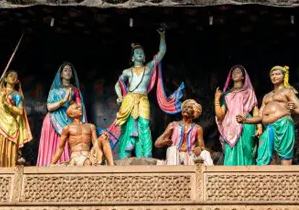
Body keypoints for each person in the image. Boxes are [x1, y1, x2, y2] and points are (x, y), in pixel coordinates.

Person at [110, 26, 183, 159]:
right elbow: (117, 85)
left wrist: (162, 36)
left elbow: (161, 53)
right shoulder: (128, 71)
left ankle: (146, 154)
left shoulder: (148, 68)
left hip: (143, 99)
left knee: (144, 123)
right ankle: (125, 154)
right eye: (137, 52)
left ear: (144, 57)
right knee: (127, 126)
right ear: (132, 58)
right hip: (129, 100)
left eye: (142, 52)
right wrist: (120, 97)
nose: (140, 54)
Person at [238, 65, 299, 166]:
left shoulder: (287, 91)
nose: (274, 76)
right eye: (272, 75)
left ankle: (285, 177)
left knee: (285, 153)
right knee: (262, 154)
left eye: (277, 74)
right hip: (268, 127)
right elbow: (260, 117)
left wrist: (293, 110)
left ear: (283, 76)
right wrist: (246, 120)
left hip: (284, 124)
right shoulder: (267, 96)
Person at [0, 71, 32, 168]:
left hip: (10, 126)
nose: (13, 77)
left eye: (15, 77)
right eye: (11, 76)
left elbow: (20, 112)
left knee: (7, 153)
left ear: (17, 81)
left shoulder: (17, 95)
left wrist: (7, 105)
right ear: (5, 78)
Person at [37, 62, 86, 166]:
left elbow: (79, 107)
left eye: (70, 70)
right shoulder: (54, 91)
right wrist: (63, 101)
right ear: (61, 74)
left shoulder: (75, 91)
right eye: (65, 70)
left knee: (69, 142)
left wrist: (71, 102)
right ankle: (49, 165)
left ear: (72, 75)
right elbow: (49, 107)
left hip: (69, 120)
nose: (68, 72)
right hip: (53, 120)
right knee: (53, 144)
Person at [215, 65, 260, 165]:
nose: (235, 74)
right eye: (233, 73)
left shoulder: (249, 92)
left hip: (246, 123)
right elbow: (220, 115)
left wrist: (259, 127)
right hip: (230, 126)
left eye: (238, 72)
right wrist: (217, 100)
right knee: (230, 154)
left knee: (247, 151)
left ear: (243, 77)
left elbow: (255, 111)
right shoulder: (227, 94)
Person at [50, 102, 114, 166]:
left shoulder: (91, 126)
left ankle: (112, 166)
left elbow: (95, 144)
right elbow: (60, 148)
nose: (80, 108)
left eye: (80, 107)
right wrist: (52, 163)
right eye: (76, 108)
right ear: (71, 114)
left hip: (89, 155)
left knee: (103, 138)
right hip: (77, 157)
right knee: (87, 162)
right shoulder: (67, 128)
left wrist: (102, 136)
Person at [155, 98, 213, 165]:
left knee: (206, 153)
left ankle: (210, 174)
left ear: (194, 112)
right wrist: (164, 142)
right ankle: (173, 174)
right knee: (172, 149)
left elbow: (202, 147)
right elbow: (157, 143)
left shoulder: (197, 128)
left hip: (190, 156)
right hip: (175, 156)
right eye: (184, 107)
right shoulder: (173, 125)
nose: (186, 109)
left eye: (189, 107)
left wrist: (199, 149)